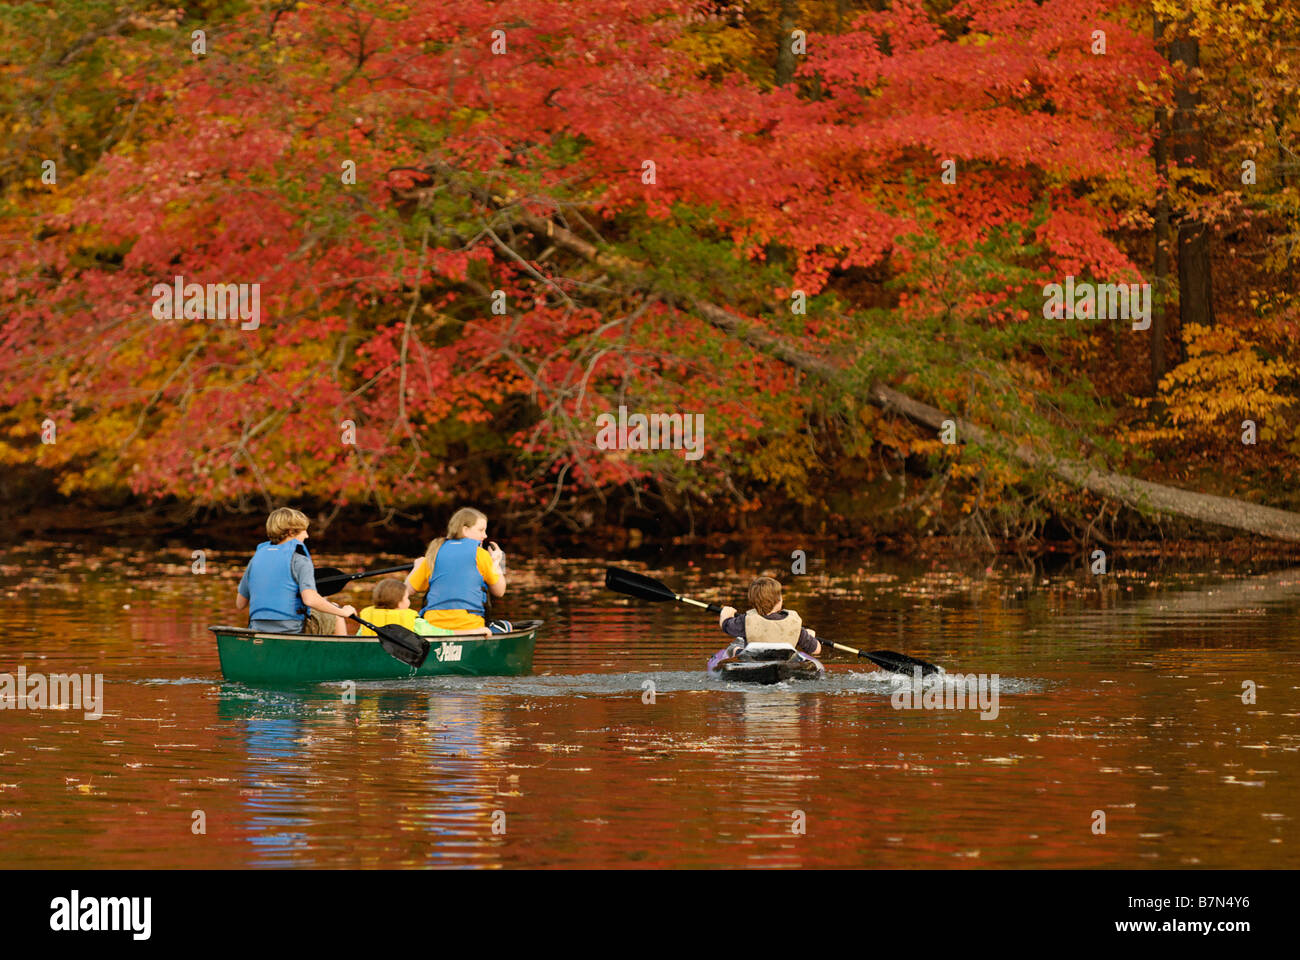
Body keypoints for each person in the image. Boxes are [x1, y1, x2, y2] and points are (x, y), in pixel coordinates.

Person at [235, 507, 355, 635]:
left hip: (258, 628)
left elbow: (240, 604)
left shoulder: (256, 558)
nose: (307, 536)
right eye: (304, 531)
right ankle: (342, 653)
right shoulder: (300, 559)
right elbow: (310, 600)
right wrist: (343, 612)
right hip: (293, 629)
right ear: (291, 532)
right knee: (336, 613)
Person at [405, 507, 510, 635]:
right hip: (470, 626)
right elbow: (500, 591)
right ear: (465, 530)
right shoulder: (481, 555)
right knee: (505, 626)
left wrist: (417, 567)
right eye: (481, 530)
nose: (485, 535)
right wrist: (498, 563)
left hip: (433, 627)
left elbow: (405, 591)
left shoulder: (434, 553)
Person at [717, 576, 828, 657]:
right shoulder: (793, 624)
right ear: (779, 600)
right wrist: (808, 636)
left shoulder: (745, 620)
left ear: (752, 602)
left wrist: (726, 615)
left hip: (754, 662)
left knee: (735, 648)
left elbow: (726, 626)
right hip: (784, 663)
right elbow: (816, 650)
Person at [354, 579, 455, 637]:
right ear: (398, 602)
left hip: (374, 659)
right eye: (406, 598)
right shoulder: (415, 623)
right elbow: (444, 634)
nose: (409, 601)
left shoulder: (366, 621)